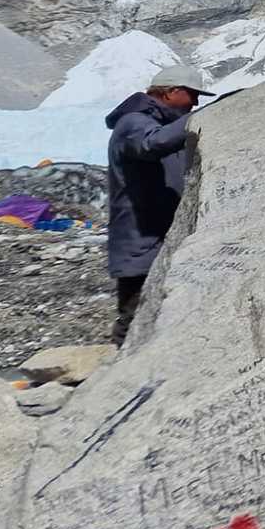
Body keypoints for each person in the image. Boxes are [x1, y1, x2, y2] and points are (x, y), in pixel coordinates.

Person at [105, 64, 214, 343]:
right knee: (136, 315)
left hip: (160, 237)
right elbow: (151, 144)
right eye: (191, 94)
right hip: (141, 241)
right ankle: (117, 380)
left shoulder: (161, 124)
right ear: (171, 92)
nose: (195, 102)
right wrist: (207, 115)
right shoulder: (133, 123)